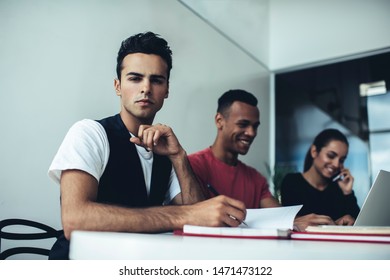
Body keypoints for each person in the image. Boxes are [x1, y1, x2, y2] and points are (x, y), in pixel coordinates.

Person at [48, 32, 246, 259]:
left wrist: (179, 156)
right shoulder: (89, 133)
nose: (146, 88)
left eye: (156, 80)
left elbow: (200, 222)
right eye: (135, 78)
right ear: (117, 86)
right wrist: (181, 216)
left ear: (167, 90)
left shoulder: (166, 150)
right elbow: (75, 219)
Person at [188, 89, 335, 231]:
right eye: (243, 124)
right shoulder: (192, 166)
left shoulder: (256, 179)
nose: (251, 133)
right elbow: (191, 216)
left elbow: (280, 216)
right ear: (219, 121)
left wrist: (328, 226)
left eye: (255, 126)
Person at [280, 129, 360, 225]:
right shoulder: (292, 182)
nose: (336, 164)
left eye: (341, 160)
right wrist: (334, 224)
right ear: (314, 151)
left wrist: (348, 192)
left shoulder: (339, 189)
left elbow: (358, 223)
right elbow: (293, 222)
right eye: (331, 156)